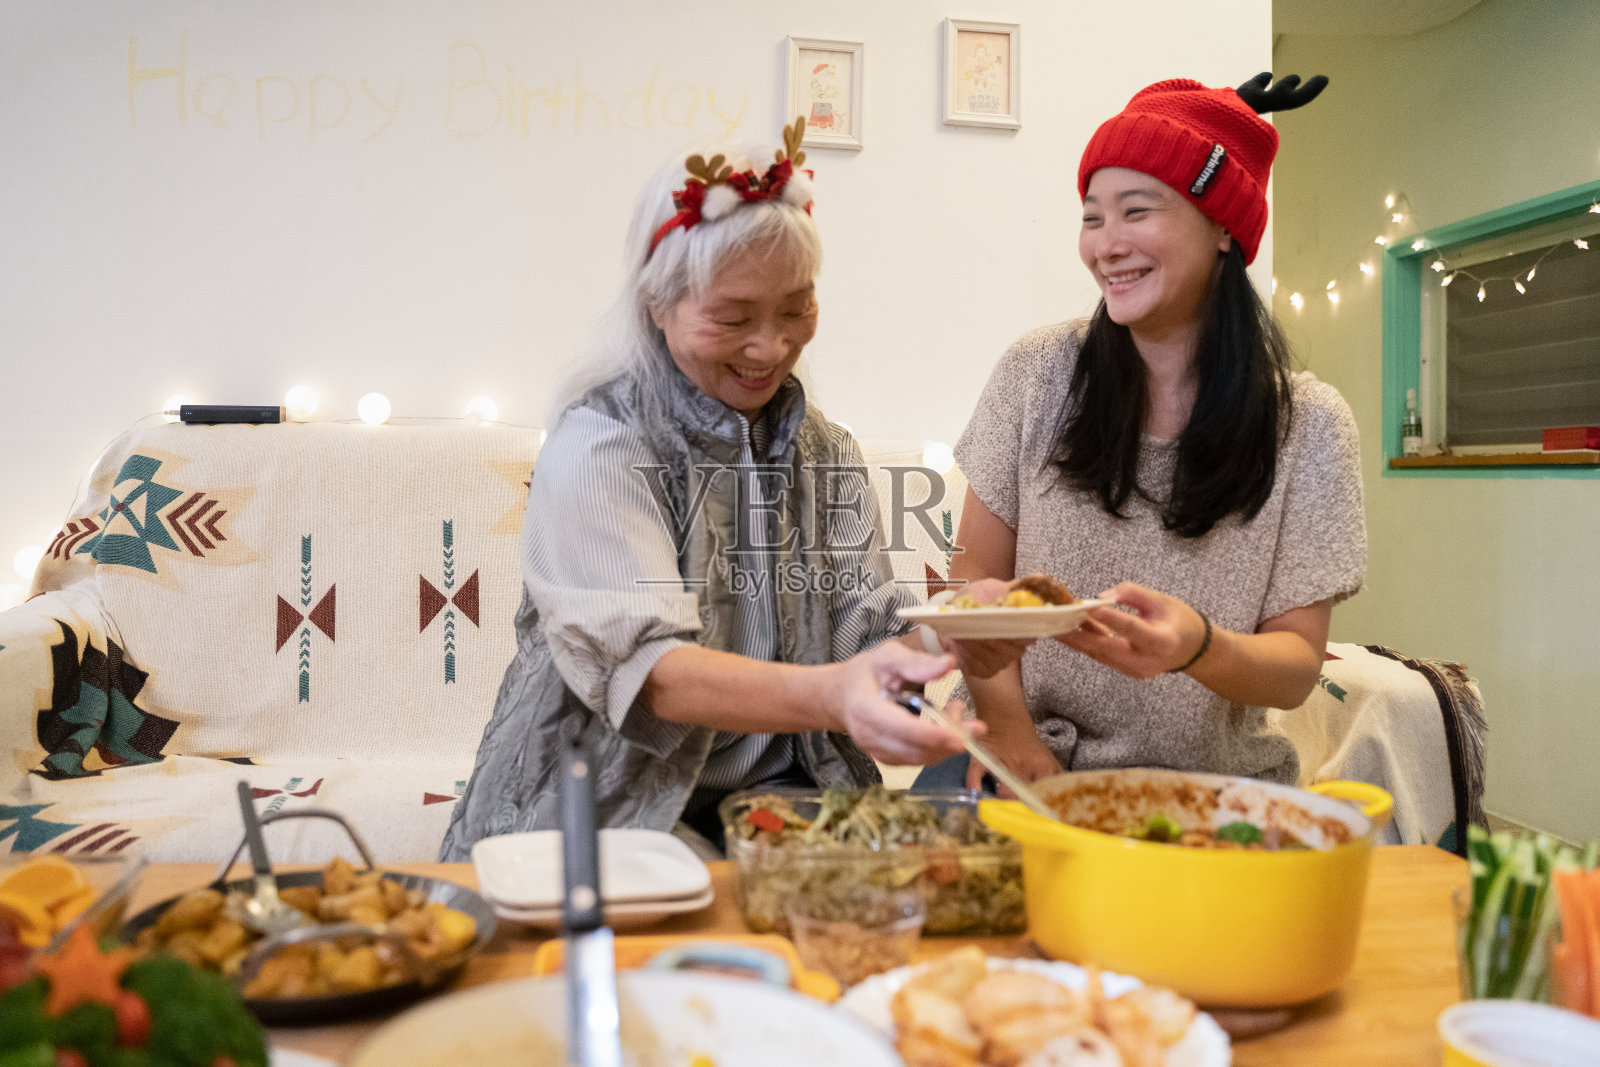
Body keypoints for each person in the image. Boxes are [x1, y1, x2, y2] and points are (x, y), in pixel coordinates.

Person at [441, 120, 1007, 860]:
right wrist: (837, 693)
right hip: (616, 805)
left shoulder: (826, 450)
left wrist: (946, 636)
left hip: (791, 801)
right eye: (733, 318)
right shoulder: (601, 444)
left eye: (795, 307)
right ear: (658, 303)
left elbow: (865, 636)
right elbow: (652, 675)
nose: (770, 347)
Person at [918, 74, 1366, 795]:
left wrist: (1198, 647)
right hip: (1022, 751)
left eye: (1136, 211)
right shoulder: (1039, 373)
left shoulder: (1308, 425)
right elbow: (975, 588)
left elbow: (1295, 668)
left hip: (1209, 783)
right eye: (1093, 218)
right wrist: (1010, 734)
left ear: (1224, 227)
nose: (1107, 245)